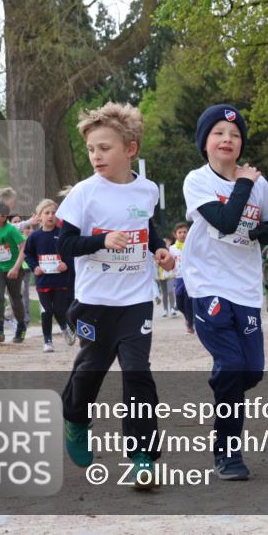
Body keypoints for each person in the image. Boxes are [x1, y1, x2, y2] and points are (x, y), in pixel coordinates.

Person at [56, 102, 174, 489]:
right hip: (94, 302)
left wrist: (159, 248)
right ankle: (75, 417)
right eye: (91, 149)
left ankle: (142, 455)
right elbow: (66, 245)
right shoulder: (83, 194)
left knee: (138, 373)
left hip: (135, 299)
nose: (96, 156)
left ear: (131, 150)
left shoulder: (146, 190)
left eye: (105, 148)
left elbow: (146, 226)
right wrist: (101, 240)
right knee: (90, 371)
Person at [180, 104, 268, 480]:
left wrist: (262, 233)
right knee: (233, 367)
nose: (227, 139)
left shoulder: (259, 183)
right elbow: (223, 220)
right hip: (207, 284)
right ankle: (228, 455)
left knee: (250, 371)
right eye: (219, 133)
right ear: (205, 142)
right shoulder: (198, 181)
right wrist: (243, 184)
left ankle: (225, 379)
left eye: (235, 135)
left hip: (245, 287)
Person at [24, 198, 76, 352]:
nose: (50, 216)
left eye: (54, 213)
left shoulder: (62, 235)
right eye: (47, 213)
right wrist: (35, 267)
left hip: (60, 280)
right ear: (39, 216)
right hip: (43, 280)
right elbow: (28, 254)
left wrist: (66, 264)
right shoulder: (34, 237)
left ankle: (65, 328)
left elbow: (72, 253)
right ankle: (47, 341)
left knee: (60, 309)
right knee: (46, 310)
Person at [0, 200, 28, 343]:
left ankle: (21, 326)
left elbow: (23, 249)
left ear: (4, 217)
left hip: (13, 268)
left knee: (15, 299)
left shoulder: (11, 230)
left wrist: (16, 268)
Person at [169, 222, 191, 331]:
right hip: (178, 278)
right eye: (180, 232)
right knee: (180, 303)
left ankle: (190, 324)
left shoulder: (191, 245)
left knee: (188, 301)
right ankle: (189, 318)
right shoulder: (172, 249)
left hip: (190, 278)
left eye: (185, 232)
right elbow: (169, 262)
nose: (182, 234)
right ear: (175, 234)